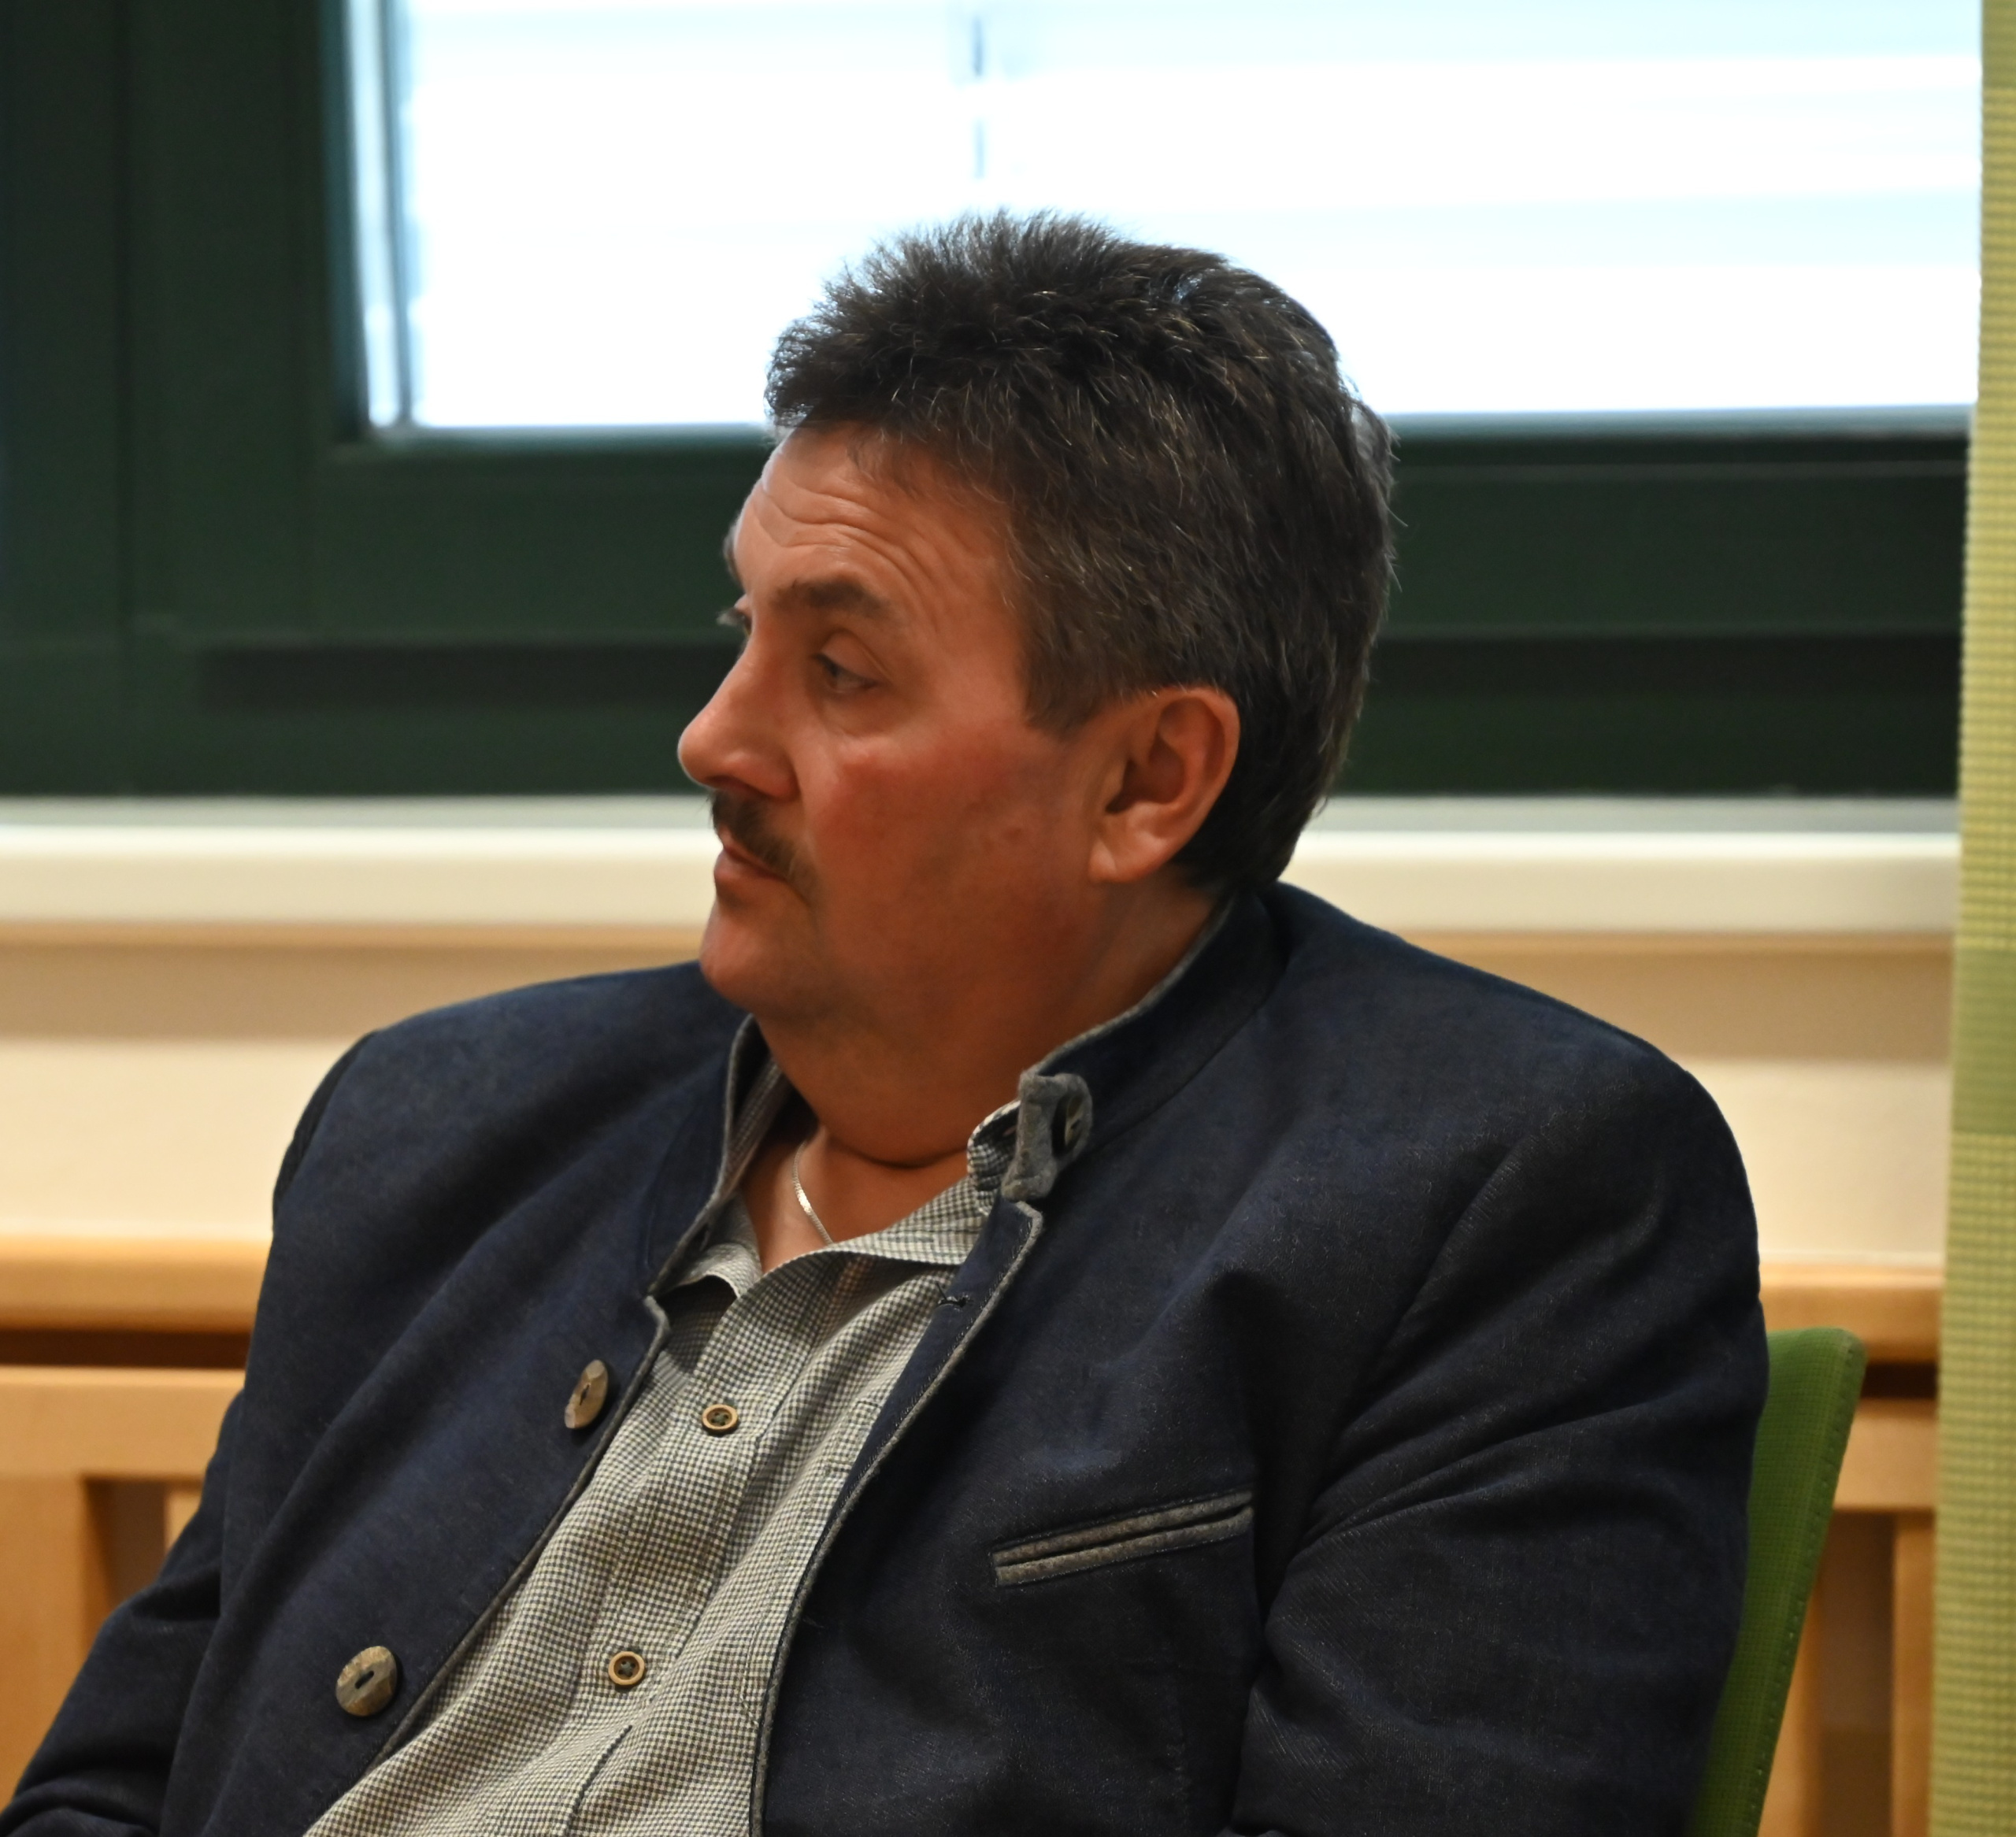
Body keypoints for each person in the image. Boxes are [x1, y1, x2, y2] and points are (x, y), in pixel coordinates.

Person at [2, 213, 1765, 1837]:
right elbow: (115, 1789)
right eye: (743, 631)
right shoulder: (434, 1128)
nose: (713, 738)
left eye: (840, 672)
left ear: (1147, 780)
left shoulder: (1495, 1193)